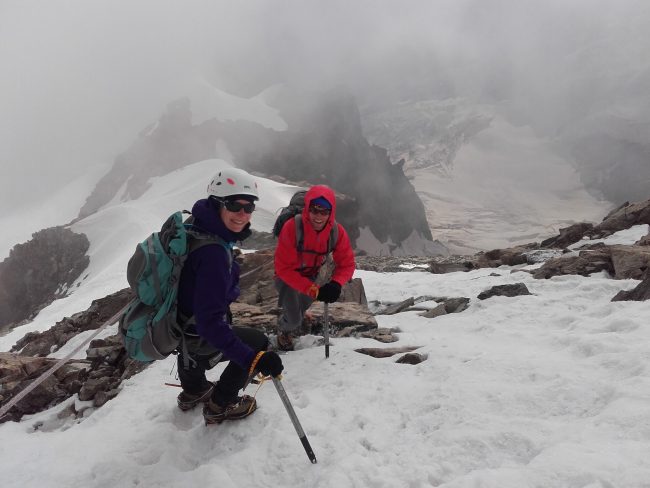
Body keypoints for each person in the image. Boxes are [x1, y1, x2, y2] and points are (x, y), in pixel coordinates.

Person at [175, 167, 283, 424]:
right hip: (195, 332)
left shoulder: (194, 225)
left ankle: (194, 389)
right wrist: (254, 358)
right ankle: (220, 404)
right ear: (217, 203)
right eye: (235, 205)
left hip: (176, 323)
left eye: (250, 207)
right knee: (257, 343)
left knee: (193, 337)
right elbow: (210, 325)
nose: (243, 214)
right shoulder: (213, 254)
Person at [274, 185, 356, 351]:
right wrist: (313, 290)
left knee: (302, 306)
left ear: (330, 213)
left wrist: (336, 283)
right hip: (287, 278)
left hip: (311, 274)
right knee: (294, 319)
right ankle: (283, 330)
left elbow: (347, 263)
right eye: (314, 210)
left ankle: (297, 314)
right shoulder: (292, 227)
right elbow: (284, 268)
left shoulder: (336, 232)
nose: (318, 216)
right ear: (307, 209)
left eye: (324, 212)